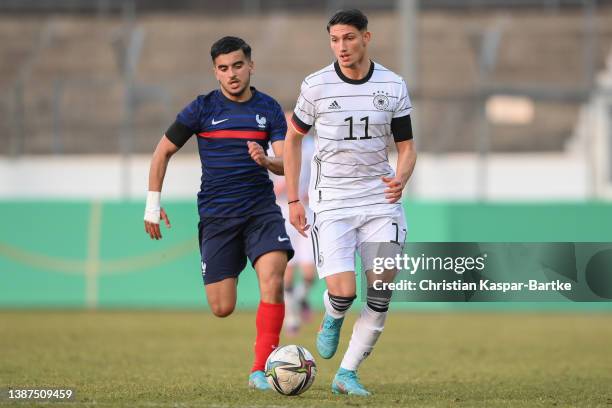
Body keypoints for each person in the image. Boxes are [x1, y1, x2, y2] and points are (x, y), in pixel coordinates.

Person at [143, 36, 293, 391]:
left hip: (260, 212)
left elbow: (286, 164)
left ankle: (261, 370)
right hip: (218, 218)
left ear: (250, 66)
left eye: (238, 65)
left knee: (273, 280)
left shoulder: (269, 108)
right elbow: (162, 152)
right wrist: (152, 204)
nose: (232, 74)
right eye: (224, 68)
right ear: (216, 72)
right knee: (222, 307)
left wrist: (267, 161)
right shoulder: (201, 109)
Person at [283, 9, 417, 396]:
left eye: (349, 38)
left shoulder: (393, 85)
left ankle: (348, 372)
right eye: (334, 40)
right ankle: (333, 315)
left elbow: (407, 147)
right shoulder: (316, 86)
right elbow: (293, 141)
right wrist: (294, 197)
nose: (341, 47)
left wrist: (402, 176)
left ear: (366, 38)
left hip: (379, 201)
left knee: (381, 288)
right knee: (343, 292)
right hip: (333, 202)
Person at [273, 127, 316, 336]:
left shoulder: (313, 146)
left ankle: (298, 301)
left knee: (310, 273)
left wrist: (312, 192)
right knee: (288, 270)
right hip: (283, 210)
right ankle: (291, 318)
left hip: (308, 211)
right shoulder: (273, 147)